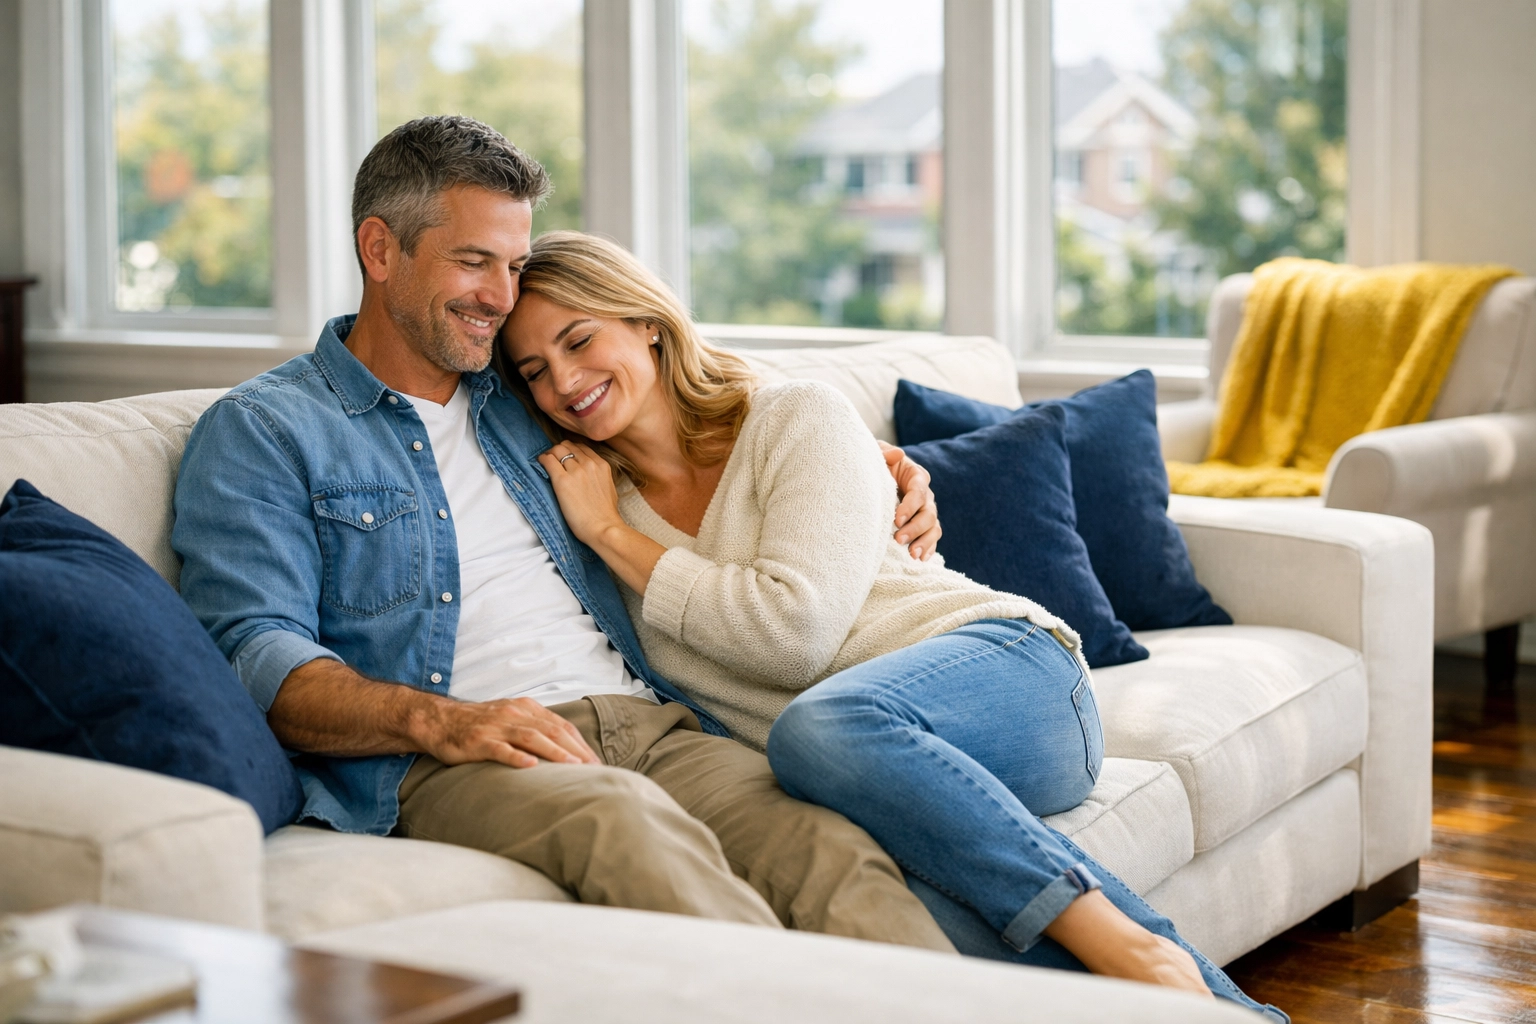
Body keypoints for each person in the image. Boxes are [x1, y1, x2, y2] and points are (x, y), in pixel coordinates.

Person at [172, 114, 958, 952]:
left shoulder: (527, 400)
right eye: (473, 261)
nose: (502, 298)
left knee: (825, 847)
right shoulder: (266, 430)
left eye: (512, 266)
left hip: (650, 723)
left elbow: (695, 401)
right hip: (463, 756)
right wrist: (443, 722)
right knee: (625, 827)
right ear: (380, 249)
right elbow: (256, 654)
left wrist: (870, 460)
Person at [499, 230, 1286, 1022]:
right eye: (534, 371)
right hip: (858, 778)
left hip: (1011, 680)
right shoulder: (577, 497)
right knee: (944, 933)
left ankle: (1130, 941)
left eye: (579, 339)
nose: (564, 380)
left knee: (823, 727)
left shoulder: (787, 418)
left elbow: (791, 634)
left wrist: (610, 535)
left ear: (648, 324)